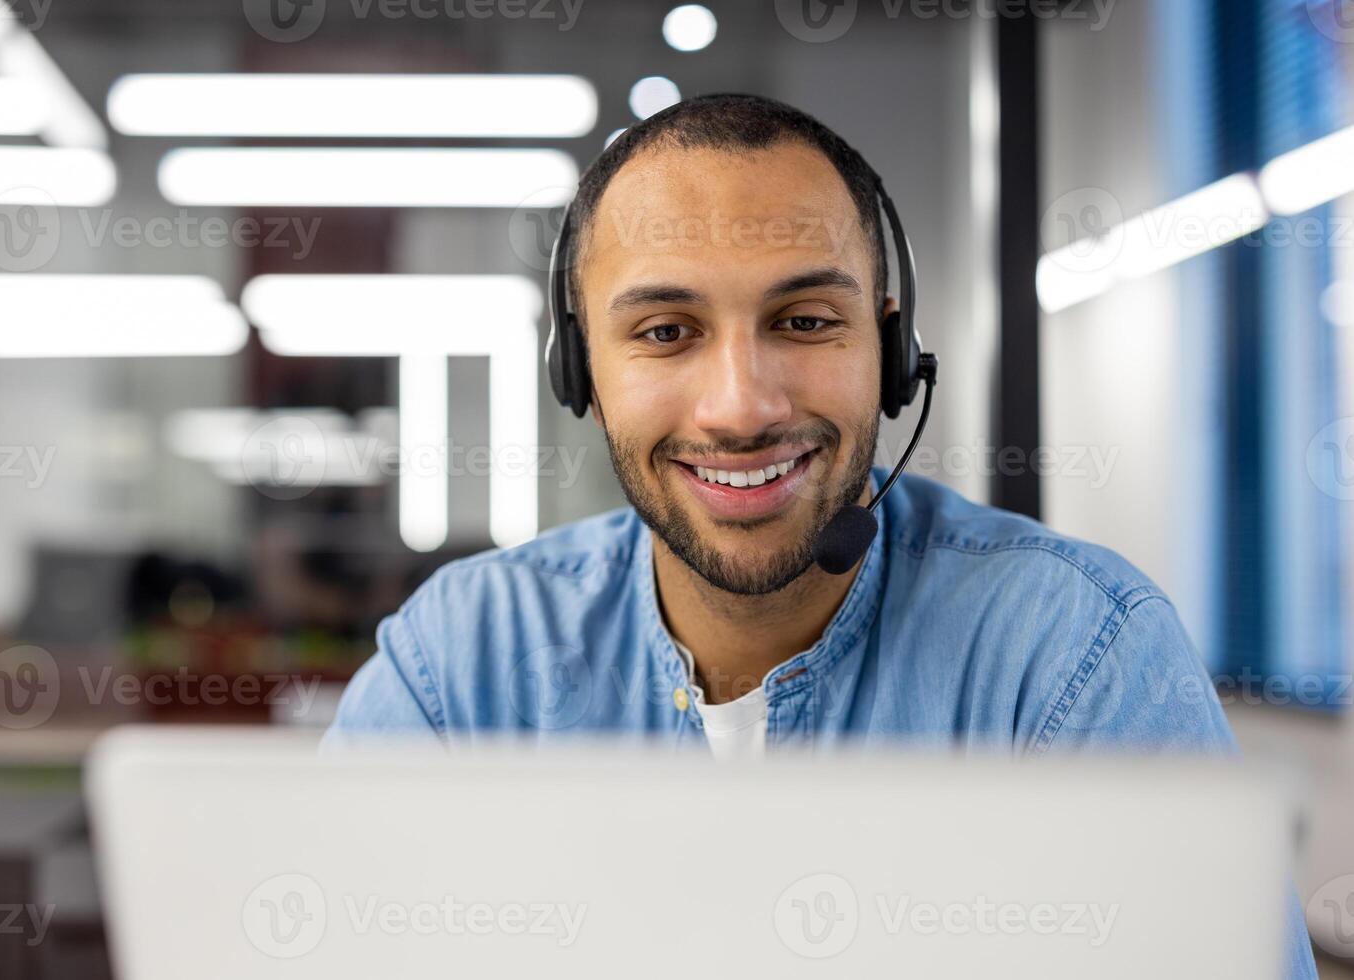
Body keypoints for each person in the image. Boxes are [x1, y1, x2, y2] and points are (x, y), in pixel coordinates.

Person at [324, 93, 1315, 976]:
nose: (740, 406)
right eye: (666, 331)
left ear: (889, 352)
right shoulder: (459, 666)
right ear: (580, 370)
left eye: (803, 321)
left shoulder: (1077, 656)